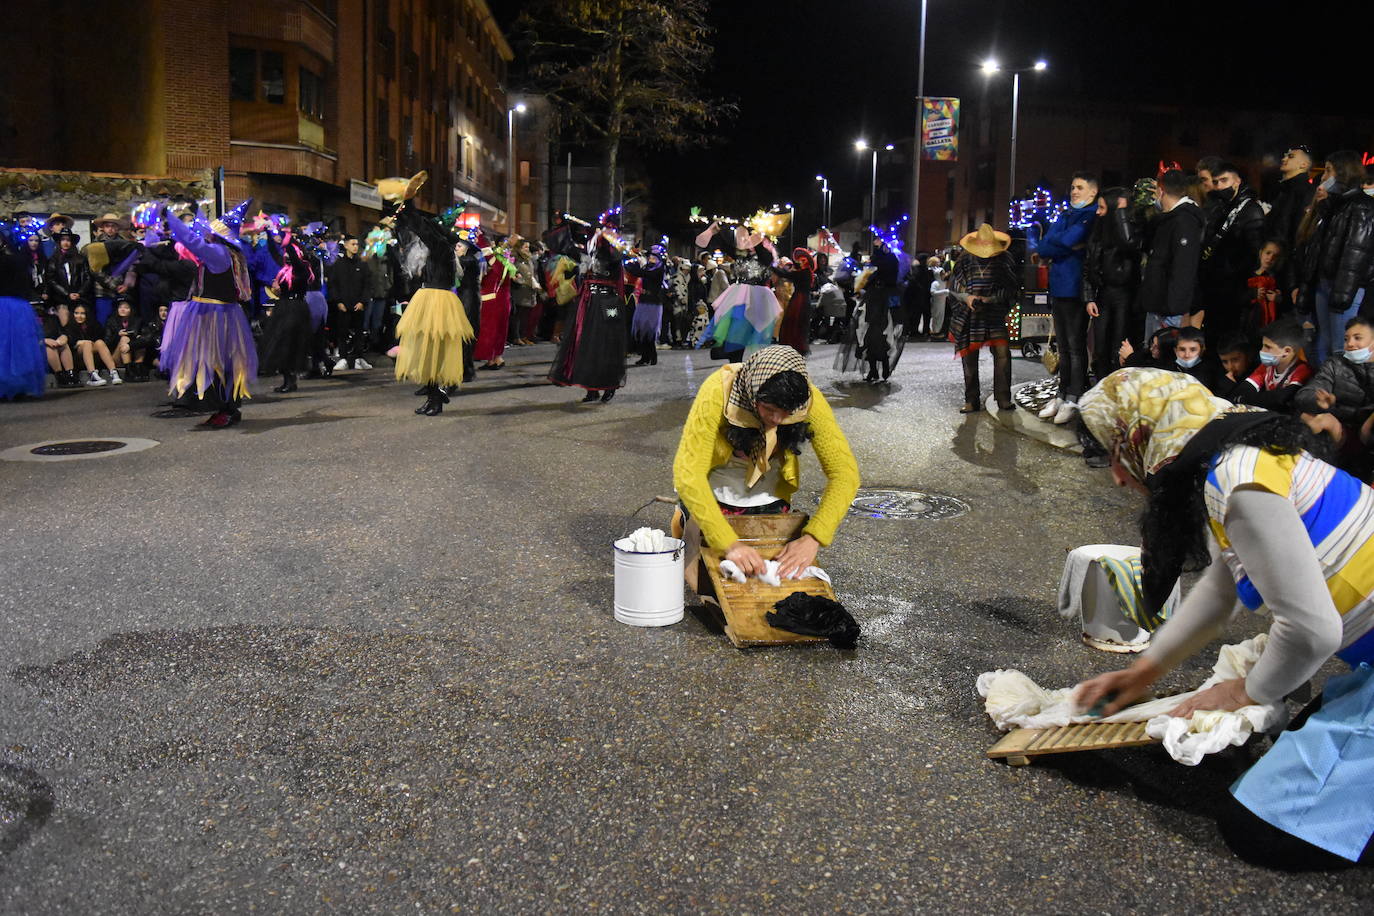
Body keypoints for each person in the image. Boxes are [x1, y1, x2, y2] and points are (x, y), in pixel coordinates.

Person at [1076, 367, 1374, 870]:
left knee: (1259, 832)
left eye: (1116, 450)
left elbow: (1312, 631)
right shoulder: (1242, 462)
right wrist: (1144, 671)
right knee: (1300, 749)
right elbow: (1221, 588)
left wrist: (1244, 692)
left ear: (1146, 435)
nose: (1120, 475)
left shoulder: (1236, 480)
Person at [671, 345, 860, 590]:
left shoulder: (807, 401)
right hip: (714, 495)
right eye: (769, 410)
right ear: (753, 393)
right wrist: (729, 543)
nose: (777, 420)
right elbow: (689, 474)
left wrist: (813, 538)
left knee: (772, 588)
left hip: (767, 499)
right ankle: (684, 519)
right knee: (713, 586)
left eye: (786, 414)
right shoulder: (719, 391)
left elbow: (845, 474)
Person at [382, 172, 476, 416]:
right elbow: (424, 231)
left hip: (438, 301)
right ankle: (433, 396)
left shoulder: (442, 249)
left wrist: (411, 204)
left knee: (435, 351)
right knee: (427, 350)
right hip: (429, 298)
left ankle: (436, 398)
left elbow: (425, 230)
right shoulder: (436, 251)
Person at [158, 201, 259, 428]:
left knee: (215, 362)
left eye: (211, 233)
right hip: (220, 314)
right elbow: (197, 235)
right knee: (223, 362)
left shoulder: (218, 253)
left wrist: (170, 217)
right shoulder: (227, 253)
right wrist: (196, 213)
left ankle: (227, 408)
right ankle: (229, 409)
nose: (207, 235)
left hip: (213, 317)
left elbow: (192, 241)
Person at [1036, 172, 1099, 424]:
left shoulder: (1089, 215)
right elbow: (1044, 247)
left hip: (1075, 289)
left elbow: (1062, 241)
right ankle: (1062, 393)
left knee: (1075, 346)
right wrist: (1061, 246)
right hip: (1059, 287)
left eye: (1080, 187)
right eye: (1073, 187)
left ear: (1092, 192)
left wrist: (1058, 244)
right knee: (1063, 346)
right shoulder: (1066, 215)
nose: (1074, 191)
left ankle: (1074, 396)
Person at [549, 208, 630, 402]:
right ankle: (591, 388)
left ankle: (608, 384)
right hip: (588, 301)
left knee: (609, 341)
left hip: (609, 301)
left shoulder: (616, 246)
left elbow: (617, 255)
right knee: (586, 342)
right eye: (605, 227)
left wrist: (609, 238)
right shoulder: (591, 245)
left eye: (611, 228)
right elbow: (564, 247)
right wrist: (565, 225)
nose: (606, 230)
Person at [1294, 150, 1367, 363]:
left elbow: (1356, 253)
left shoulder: (1360, 206)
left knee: (1340, 346)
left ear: (1343, 172)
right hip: (1325, 283)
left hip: (1343, 288)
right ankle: (1322, 390)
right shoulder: (1334, 207)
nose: (1324, 177)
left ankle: (1342, 394)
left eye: (1328, 170)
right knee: (1322, 345)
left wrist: (1341, 295)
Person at [948, 224, 1018, 414]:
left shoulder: (1004, 260)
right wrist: (967, 298)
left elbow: (1012, 288)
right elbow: (954, 287)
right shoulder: (964, 260)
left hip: (994, 314)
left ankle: (1003, 398)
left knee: (1002, 355)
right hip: (969, 315)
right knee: (969, 358)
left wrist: (992, 299)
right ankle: (971, 400)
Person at [1197, 162, 1266, 347]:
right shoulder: (1220, 206)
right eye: (1217, 182)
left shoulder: (1251, 210)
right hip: (1217, 287)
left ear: (1237, 181)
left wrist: (1245, 288)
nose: (1220, 186)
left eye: (1224, 180)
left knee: (1231, 342)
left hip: (1235, 289)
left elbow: (1254, 254)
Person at [1083, 186, 1142, 386]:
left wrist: (1121, 212)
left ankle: (1117, 389)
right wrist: (1089, 297)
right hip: (1102, 294)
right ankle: (1101, 387)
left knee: (1119, 344)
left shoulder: (1129, 230)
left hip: (1125, 295)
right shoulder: (1098, 231)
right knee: (1100, 346)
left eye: (1102, 207)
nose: (1098, 212)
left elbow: (1129, 243)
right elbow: (1088, 265)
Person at [1136, 169, 1205, 341]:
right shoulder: (1168, 220)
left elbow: (1183, 269)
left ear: (1160, 191)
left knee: (1161, 360)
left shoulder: (1185, 221)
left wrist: (1172, 307)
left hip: (1168, 310)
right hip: (1158, 304)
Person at [1293, 316, 1374, 453]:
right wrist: (1319, 401)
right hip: (1340, 429)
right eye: (1346, 339)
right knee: (1310, 417)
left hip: (1368, 432)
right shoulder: (1335, 364)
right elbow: (1305, 394)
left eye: (1357, 338)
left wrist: (1367, 426)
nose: (1350, 343)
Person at [257, 224, 318, 394]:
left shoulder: (303, 269)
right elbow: (274, 252)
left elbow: (293, 255)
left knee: (291, 343)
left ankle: (291, 380)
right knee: (279, 343)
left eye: (289, 253)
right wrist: (268, 231)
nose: (286, 255)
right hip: (283, 307)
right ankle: (287, 379)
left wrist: (288, 241)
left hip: (296, 308)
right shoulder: (284, 269)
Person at [0, 226, 46, 399]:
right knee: (16, 347)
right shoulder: (18, 260)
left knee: (9, 347)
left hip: (10, 305)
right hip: (17, 306)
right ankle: (17, 386)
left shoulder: (14, 261)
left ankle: (11, 387)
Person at [1235, 317, 1313, 411]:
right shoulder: (1267, 367)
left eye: (1267, 347)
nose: (1262, 351)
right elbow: (1243, 390)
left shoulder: (1302, 370)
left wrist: (1243, 399)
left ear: (1287, 351)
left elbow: (1280, 399)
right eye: (1262, 345)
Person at [327, 234, 371, 371]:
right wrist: (338, 302)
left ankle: (359, 358)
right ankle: (343, 358)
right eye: (353, 244)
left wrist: (363, 301)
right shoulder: (338, 265)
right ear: (345, 245)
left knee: (359, 332)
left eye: (357, 244)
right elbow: (333, 285)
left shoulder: (362, 264)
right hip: (344, 305)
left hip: (358, 305)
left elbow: (367, 285)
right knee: (342, 332)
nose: (355, 247)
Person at [1266, 145, 1316, 255]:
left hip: (1284, 261)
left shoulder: (1305, 192)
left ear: (1304, 165)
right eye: (1285, 156)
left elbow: (1299, 233)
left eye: (1291, 156)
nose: (1284, 159)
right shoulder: (1284, 190)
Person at [625, 245, 668, 366]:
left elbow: (644, 273)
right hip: (644, 300)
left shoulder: (659, 269)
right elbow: (638, 271)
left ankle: (652, 356)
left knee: (650, 330)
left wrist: (633, 264)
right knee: (641, 330)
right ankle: (645, 356)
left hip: (653, 302)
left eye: (654, 257)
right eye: (650, 257)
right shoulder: (648, 267)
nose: (651, 259)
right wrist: (628, 261)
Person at [772, 246, 816, 356]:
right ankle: (796, 345)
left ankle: (794, 344)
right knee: (798, 323)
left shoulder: (803, 273)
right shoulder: (806, 272)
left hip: (799, 299)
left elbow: (785, 274)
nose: (799, 263)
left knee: (794, 322)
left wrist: (772, 266)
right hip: (803, 298)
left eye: (801, 261)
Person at [67, 302, 119, 386]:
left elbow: (100, 339)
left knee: (100, 342)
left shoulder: (94, 325)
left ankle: (113, 372)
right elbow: (70, 344)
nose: (79, 316)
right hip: (77, 358)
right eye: (76, 313)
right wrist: (80, 342)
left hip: (94, 356)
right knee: (87, 344)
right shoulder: (69, 326)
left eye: (82, 313)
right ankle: (92, 376)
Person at [45, 227, 92, 312]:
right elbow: (51, 280)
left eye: (68, 240)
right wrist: (66, 293)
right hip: (60, 298)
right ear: (59, 242)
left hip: (79, 297)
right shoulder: (53, 259)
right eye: (63, 240)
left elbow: (87, 277)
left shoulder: (81, 259)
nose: (65, 242)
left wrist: (80, 293)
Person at [103, 299, 146, 381]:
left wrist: (135, 337)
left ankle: (138, 368)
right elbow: (107, 343)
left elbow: (146, 339)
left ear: (131, 310)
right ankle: (128, 370)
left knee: (141, 340)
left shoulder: (138, 321)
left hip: (134, 353)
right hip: (116, 355)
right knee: (124, 338)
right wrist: (117, 336)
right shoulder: (111, 321)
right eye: (120, 307)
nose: (122, 309)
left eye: (126, 307)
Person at [41, 303, 78, 388]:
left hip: (54, 343)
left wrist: (63, 336)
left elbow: (61, 332)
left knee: (63, 346)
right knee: (49, 348)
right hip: (35, 346)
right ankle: (59, 375)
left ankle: (70, 373)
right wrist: (44, 340)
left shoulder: (52, 318)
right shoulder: (25, 321)